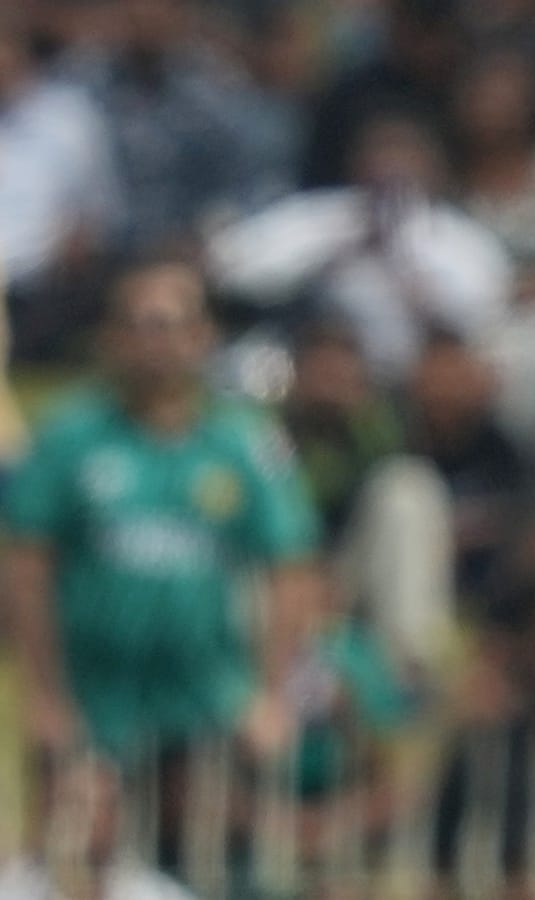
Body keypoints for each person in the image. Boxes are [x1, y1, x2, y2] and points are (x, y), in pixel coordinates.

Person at [2, 261, 320, 880]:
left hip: (206, 701)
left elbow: (292, 567)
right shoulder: (68, 437)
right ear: (110, 339)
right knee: (73, 869)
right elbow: (26, 567)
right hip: (93, 702)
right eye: (138, 326)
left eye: (171, 326)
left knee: (208, 871)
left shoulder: (243, 442)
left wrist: (270, 692)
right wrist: (44, 694)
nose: (156, 343)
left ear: (203, 337)